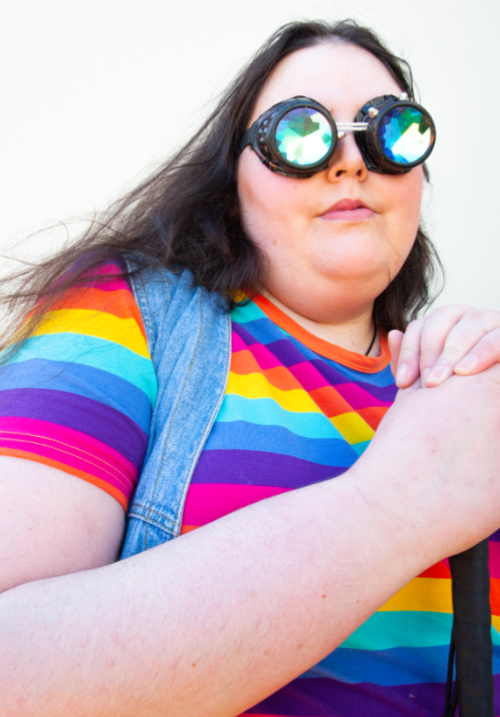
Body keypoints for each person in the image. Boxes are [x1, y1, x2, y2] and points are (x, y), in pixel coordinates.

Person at [1, 18, 500, 717]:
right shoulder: (124, 319)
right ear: (234, 178)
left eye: (390, 133)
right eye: (302, 134)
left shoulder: (468, 394)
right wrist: (399, 502)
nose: (351, 162)